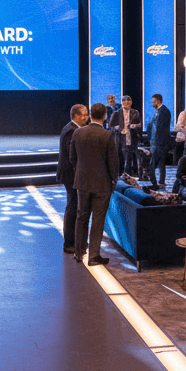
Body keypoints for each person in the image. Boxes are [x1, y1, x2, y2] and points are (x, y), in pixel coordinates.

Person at [70, 103, 118, 266]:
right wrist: (114, 180)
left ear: (90, 115)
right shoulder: (107, 135)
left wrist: (80, 172)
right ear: (105, 116)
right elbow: (113, 163)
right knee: (98, 220)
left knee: (81, 217)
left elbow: (72, 158)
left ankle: (78, 252)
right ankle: (93, 256)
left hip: (82, 182)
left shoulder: (78, 132)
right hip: (102, 184)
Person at [56, 103, 88, 254]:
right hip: (71, 175)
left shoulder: (71, 128)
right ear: (77, 116)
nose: (87, 117)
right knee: (73, 208)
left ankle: (75, 241)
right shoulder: (71, 131)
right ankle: (69, 243)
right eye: (85, 114)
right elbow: (72, 156)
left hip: (71, 175)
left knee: (74, 207)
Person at [111, 95, 141, 176]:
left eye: (128, 102)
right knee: (120, 157)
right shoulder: (117, 113)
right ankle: (119, 175)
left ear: (131, 103)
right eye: (124, 101)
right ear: (122, 102)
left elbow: (139, 124)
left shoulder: (135, 112)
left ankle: (131, 175)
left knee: (130, 158)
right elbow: (111, 127)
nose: (126, 103)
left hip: (132, 138)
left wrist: (135, 126)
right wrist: (118, 128)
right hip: (120, 139)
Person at [147, 94, 172, 188]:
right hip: (156, 143)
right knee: (161, 163)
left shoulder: (164, 111)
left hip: (159, 143)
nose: (152, 103)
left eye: (153, 101)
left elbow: (160, 129)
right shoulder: (158, 111)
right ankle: (161, 182)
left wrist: (157, 143)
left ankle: (154, 183)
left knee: (152, 165)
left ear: (158, 101)